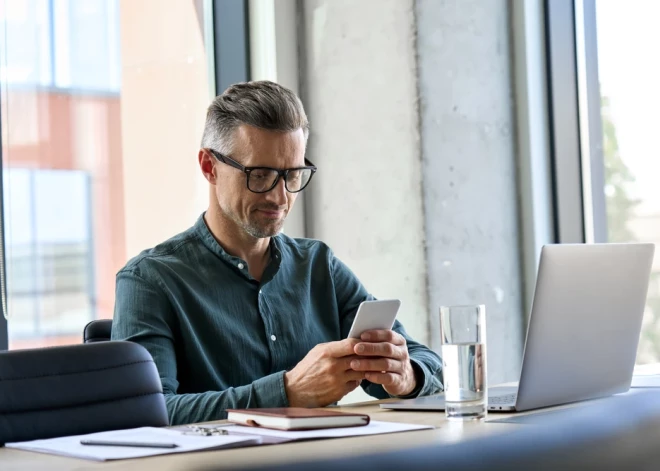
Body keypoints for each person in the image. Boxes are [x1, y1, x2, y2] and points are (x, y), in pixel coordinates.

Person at [112, 81, 444, 425]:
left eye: (292, 175)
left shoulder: (318, 266)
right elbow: (146, 412)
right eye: (261, 175)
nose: (280, 196)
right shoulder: (150, 280)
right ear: (210, 167)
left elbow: (425, 360)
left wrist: (405, 376)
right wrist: (287, 392)